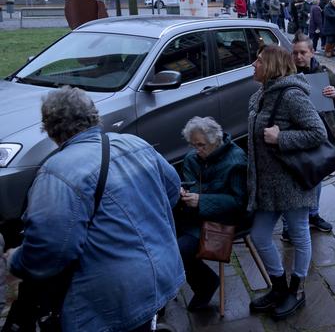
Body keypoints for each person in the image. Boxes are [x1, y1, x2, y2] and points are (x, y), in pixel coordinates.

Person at [6, 87, 184, 332]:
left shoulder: (57, 172)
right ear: (93, 115)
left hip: (110, 299)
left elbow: (50, 251)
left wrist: (15, 259)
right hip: (163, 273)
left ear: (50, 128)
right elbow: (173, 191)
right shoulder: (135, 143)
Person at [247, 45, 327, 320]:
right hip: (267, 184)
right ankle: (278, 286)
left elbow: (318, 132)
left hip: (292, 182)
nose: (253, 65)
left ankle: (297, 288)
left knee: (299, 234)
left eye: (258, 61)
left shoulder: (292, 95)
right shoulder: (259, 96)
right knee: (259, 235)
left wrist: (282, 138)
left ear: (271, 65)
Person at [176, 116, 247, 311]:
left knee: (180, 250)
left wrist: (201, 200)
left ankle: (206, 284)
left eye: (201, 145)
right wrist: (184, 192)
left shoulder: (236, 160)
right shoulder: (192, 158)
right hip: (195, 215)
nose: (197, 150)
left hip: (225, 220)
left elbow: (238, 202)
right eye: (193, 145)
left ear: (215, 140)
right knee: (161, 237)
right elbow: (190, 183)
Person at [284, 33, 335, 236]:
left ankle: (313, 214)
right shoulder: (286, 74)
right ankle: (288, 226)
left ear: (311, 52)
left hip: (321, 130)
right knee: (293, 178)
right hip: (296, 132)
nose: (299, 57)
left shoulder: (323, 71)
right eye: (295, 53)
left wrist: (334, 94)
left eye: (303, 52)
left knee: (316, 174)